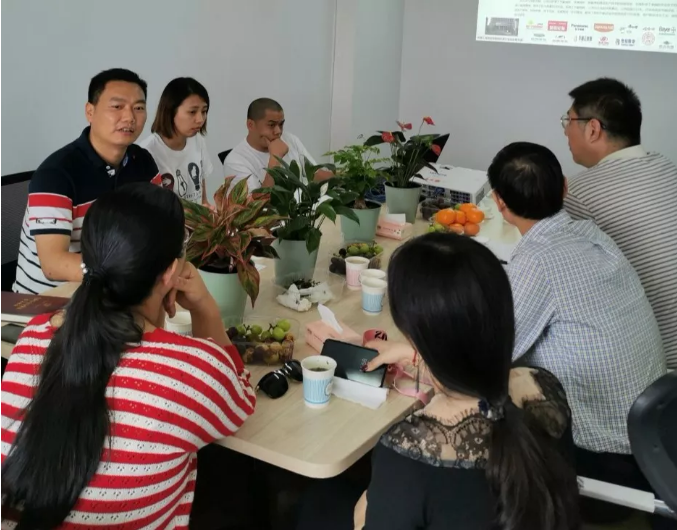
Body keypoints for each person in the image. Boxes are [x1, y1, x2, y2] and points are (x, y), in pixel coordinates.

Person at [1, 183, 256, 529]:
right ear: (170, 272)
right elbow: (240, 396)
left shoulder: (33, 336)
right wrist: (205, 308)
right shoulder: (193, 371)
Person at [299, 234, 580, 530]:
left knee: (319, 502)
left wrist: (364, 510)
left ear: (417, 337)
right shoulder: (545, 389)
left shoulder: (410, 451)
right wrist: (422, 356)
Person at [489, 142, 667, 525]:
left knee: (485, 391)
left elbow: (489, 353)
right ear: (566, 188)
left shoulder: (537, 262)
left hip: (604, 464)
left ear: (498, 202)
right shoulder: (591, 234)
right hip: (656, 437)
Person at [12, 68, 161, 295]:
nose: (130, 117)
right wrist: (122, 275)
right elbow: (53, 263)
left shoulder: (143, 162)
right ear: (90, 112)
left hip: (110, 293)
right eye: (117, 106)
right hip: (49, 301)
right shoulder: (56, 174)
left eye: (138, 108)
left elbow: (160, 227)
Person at [562, 78, 677, 370]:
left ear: (593, 129)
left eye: (568, 120)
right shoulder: (666, 167)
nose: (565, 130)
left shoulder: (579, 194)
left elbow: (564, 279)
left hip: (656, 361)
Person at [223, 97, 332, 191]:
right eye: (271, 125)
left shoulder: (290, 139)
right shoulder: (234, 161)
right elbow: (257, 205)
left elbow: (314, 174)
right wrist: (275, 159)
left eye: (281, 124)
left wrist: (341, 178)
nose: (278, 131)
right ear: (250, 125)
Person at [140, 77, 214, 205]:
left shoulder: (198, 140)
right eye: (192, 112)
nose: (200, 119)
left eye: (204, 111)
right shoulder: (147, 152)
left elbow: (203, 200)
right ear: (170, 111)